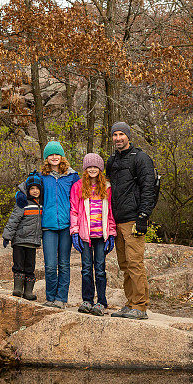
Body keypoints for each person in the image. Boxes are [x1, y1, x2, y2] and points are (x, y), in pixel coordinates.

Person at [17, 141, 79, 308]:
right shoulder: (41, 177)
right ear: (46, 158)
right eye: (50, 154)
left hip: (66, 226)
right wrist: (20, 197)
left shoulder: (72, 176)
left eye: (57, 154)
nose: (54, 157)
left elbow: (81, 195)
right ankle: (50, 298)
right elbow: (25, 188)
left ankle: (61, 299)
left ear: (62, 156)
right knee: (50, 265)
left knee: (64, 264)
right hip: (48, 226)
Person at [105, 122, 157, 320]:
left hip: (134, 220)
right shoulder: (112, 161)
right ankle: (130, 303)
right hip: (116, 220)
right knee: (124, 264)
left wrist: (143, 217)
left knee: (135, 263)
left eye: (121, 134)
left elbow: (148, 189)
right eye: (115, 135)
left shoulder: (141, 158)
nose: (118, 138)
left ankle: (141, 306)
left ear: (128, 136)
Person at [69, 153, 116, 317]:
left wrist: (111, 233)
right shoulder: (78, 187)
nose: (92, 169)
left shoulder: (107, 188)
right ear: (85, 169)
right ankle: (87, 300)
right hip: (85, 236)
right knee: (86, 269)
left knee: (100, 269)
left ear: (100, 169)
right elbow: (74, 210)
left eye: (95, 166)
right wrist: (74, 232)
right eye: (89, 166)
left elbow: (110, 213)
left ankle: (101, 302)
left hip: (101, 236)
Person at [2, 172, 43, 300]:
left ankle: (28, 291)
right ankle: (18, 288)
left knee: (30, 266)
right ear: (27, 189)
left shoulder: (42, 203)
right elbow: (14, 219)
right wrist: (7, 236)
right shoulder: (22, 202)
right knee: (18, 265)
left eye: (37, 188)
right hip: (19, 240)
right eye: (32, 188)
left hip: (32, 241)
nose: (35, 191)